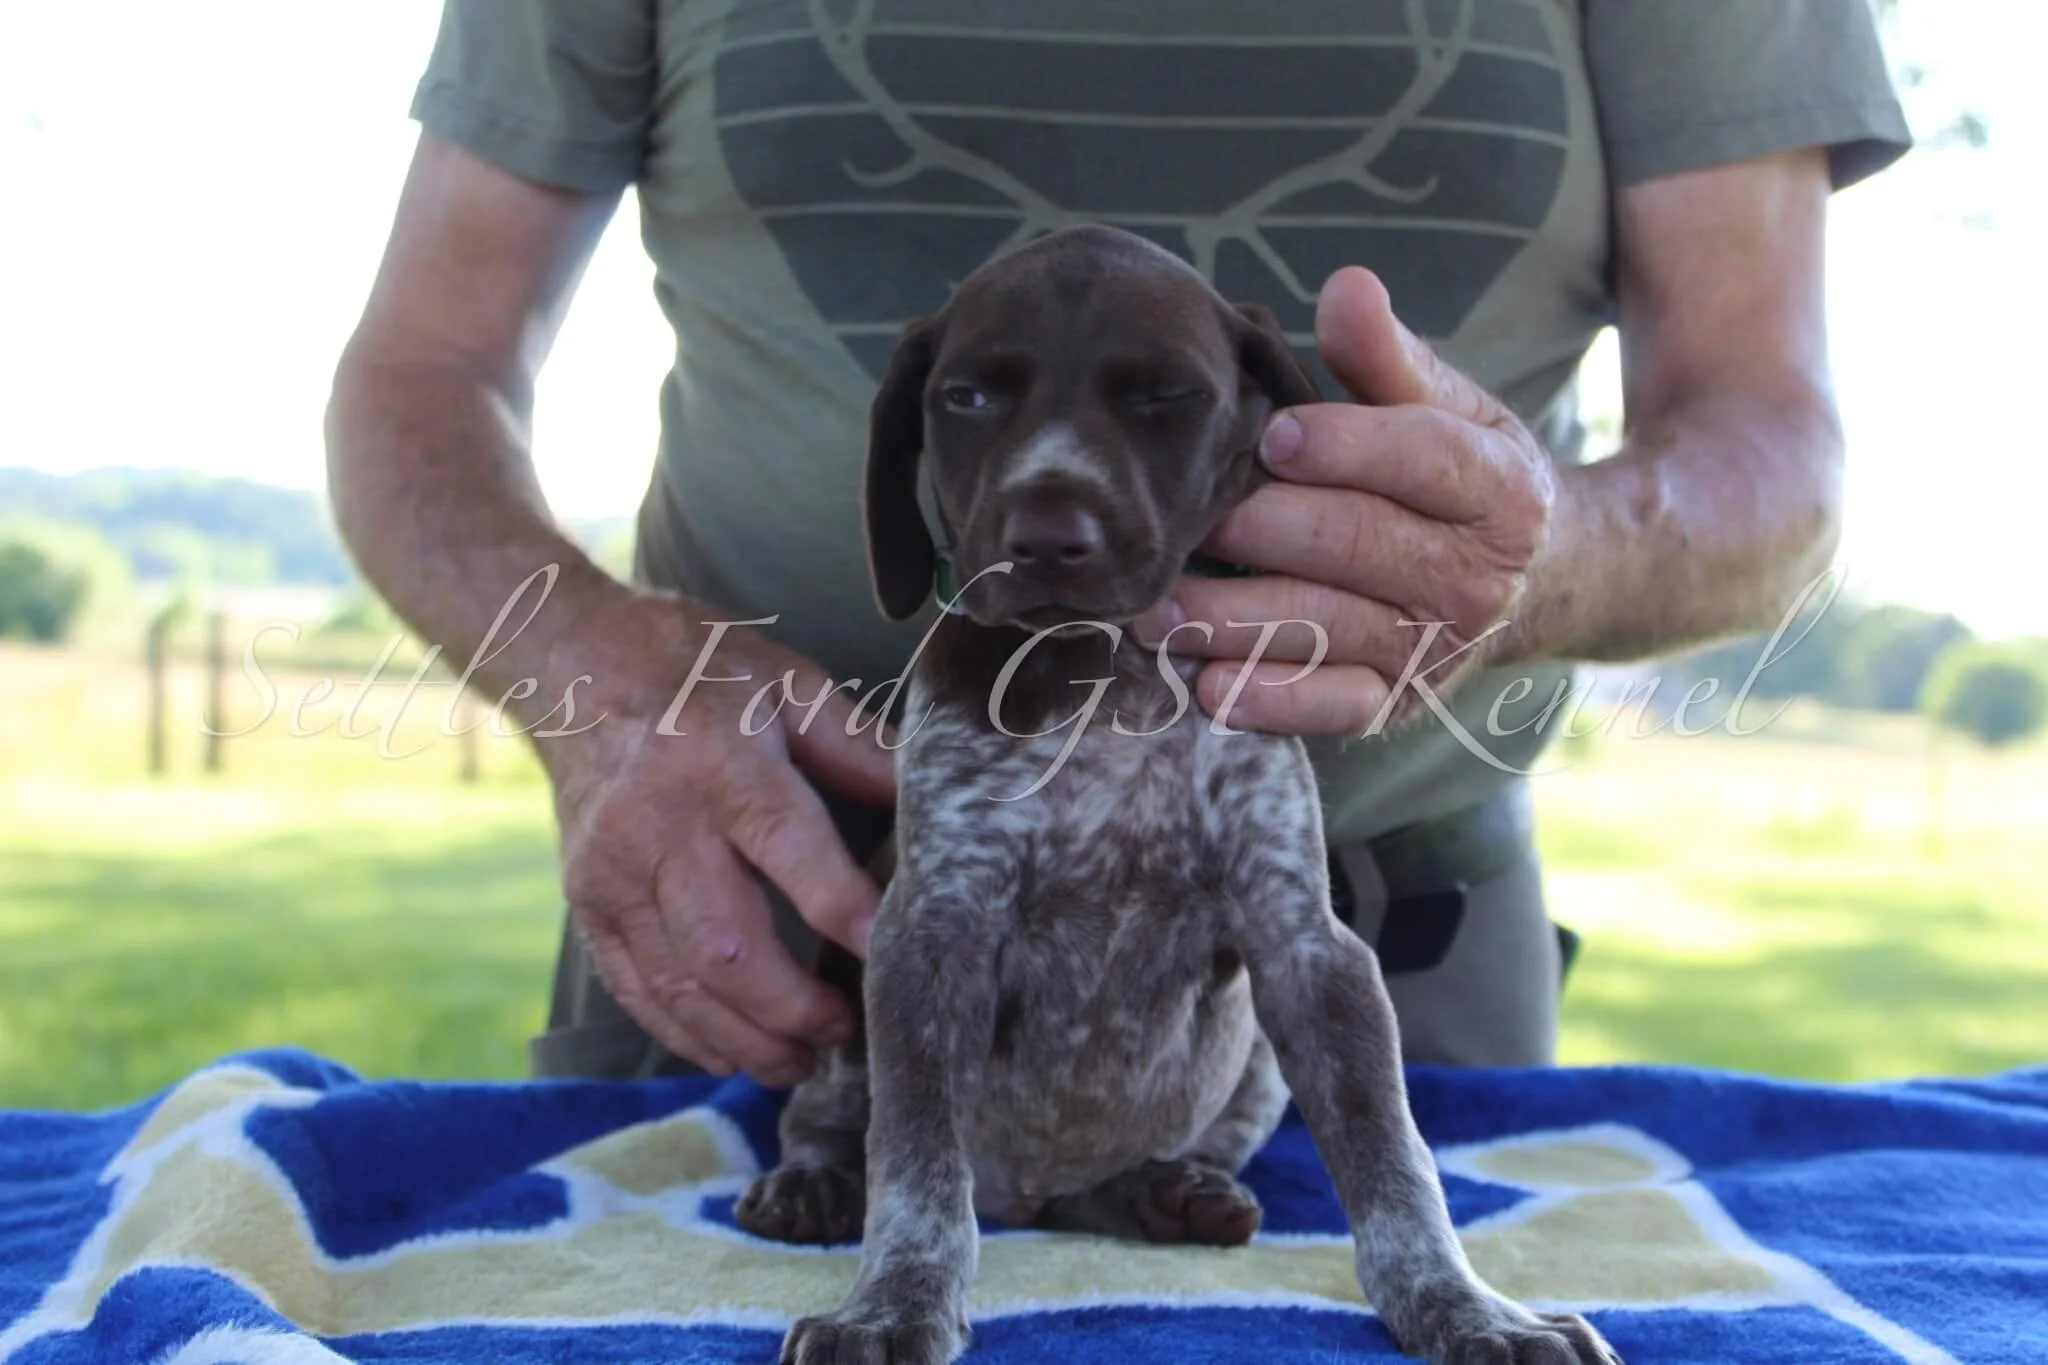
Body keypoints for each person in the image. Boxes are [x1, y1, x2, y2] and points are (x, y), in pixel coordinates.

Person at [326, 1, 1910, 1086]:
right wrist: (598, 680)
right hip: (777, 951)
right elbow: (421, 372)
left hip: (1374, 966)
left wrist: (1548, 552)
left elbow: (1772, 439)